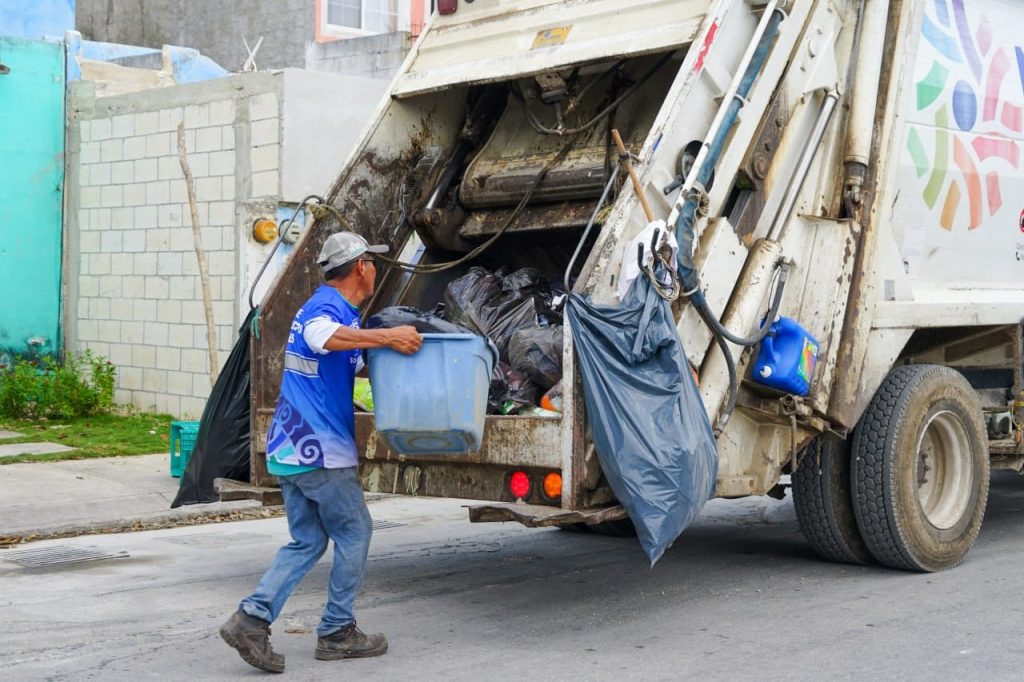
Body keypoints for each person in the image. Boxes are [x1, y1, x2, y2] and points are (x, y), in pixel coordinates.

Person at [220, 231, 422, 674]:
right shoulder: (324, 309)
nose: (375, 269)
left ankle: (250, 619)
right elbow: (322, 337)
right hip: (319, 450)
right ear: (360, 267)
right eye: (372, 261)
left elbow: (345, 358)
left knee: (308, 539)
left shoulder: (338, 311)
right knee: (355, 532)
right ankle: (337, 632)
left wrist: (401, 356)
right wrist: (387, 336)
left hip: (290, 448)